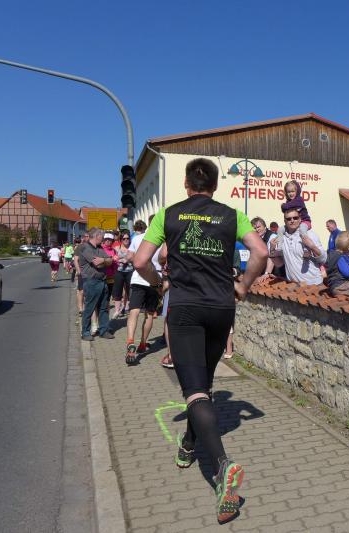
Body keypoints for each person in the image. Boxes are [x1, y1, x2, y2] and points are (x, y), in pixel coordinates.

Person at [132, 157, 267, 524]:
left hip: (186, 309)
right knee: (203, 383)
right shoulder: (232, 215)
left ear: (187, 185)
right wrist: (243, 285)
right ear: (216, 186)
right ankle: (189, 444)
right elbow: (261, 252)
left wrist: (160, 283)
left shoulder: (168, 214)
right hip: (221, 307)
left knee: (193, 391)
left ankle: (222, 467)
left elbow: (140, 260)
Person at [125, 218, 162, 365]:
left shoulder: (138, 238)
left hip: (138, 278)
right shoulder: (163, 240)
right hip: (155, 280)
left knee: (133, 311)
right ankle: (142, 343)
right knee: (149, 314)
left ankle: (130, 341)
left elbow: (129, 256)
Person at [271, 208, 327, 285]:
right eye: (289, 219)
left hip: (314, 285)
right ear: (285, 221)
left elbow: (323, 259)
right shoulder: (282, 238)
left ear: (300, 219)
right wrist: (272, 249)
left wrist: (312, 247)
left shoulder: (310, 234)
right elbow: (279, 264)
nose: (292, 220)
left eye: (295, 218)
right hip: (293, 285)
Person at [78, 228, 115, 340]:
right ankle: (85, 332)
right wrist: (106, 261)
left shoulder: (99, 248)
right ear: (96, 236)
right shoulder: (85, 248)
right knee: (90, 308)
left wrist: (104, 260)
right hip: (91, 282)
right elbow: (97, 264)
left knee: (104, 308)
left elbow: (110, 261)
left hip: (102, 281)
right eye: (102, 236)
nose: (103, 238)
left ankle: (104, 330)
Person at [325, 231, 349, 297]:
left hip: (332, 286)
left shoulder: (330, 254)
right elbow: (347, 273)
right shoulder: (340, 257)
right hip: (341, 286)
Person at [112, 231, 133, 318]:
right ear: (121, 240)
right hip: (119, 271)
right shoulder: (117, 248)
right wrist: (119, 259)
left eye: (127, 238)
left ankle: (128, 308)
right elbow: (113, 258)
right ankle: (117, 310)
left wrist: (127, 260)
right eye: (124, 238)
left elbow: (135, 258)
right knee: (118, 291)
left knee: (129, 291)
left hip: (130, 271)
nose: (126, 240)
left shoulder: (132, 248)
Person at [101, 233, 119, 307]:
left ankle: (106, 311)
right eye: (106, 239)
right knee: (102, 296)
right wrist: (111, 258)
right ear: (103, 240)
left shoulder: (114, 250)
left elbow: (116, 263)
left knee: (108, 296)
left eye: (110, 240)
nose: (108, 241)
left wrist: (116, 261)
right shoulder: (100, 249)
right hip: (102, 276)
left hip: (111, 277)